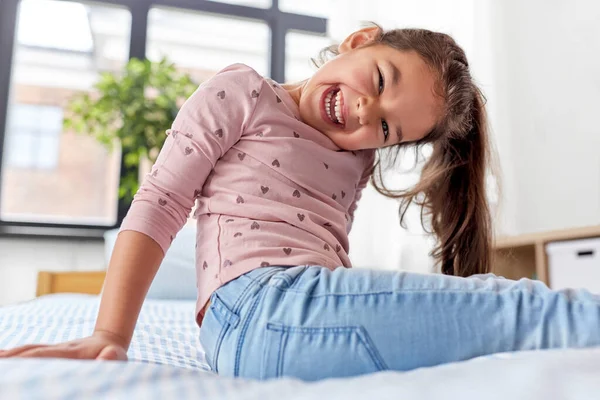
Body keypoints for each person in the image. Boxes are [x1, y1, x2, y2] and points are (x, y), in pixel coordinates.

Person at [1, 25, 599, 381]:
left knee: (489, 338)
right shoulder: (243, 94)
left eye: (388, 130)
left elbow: (325, 246)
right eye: (382, 80)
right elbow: (160, 202)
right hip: (258, 305)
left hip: (298, 314)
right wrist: (109, 331)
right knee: (518, 310)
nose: (369, 113)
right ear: (359, 41)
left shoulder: (354, 156)